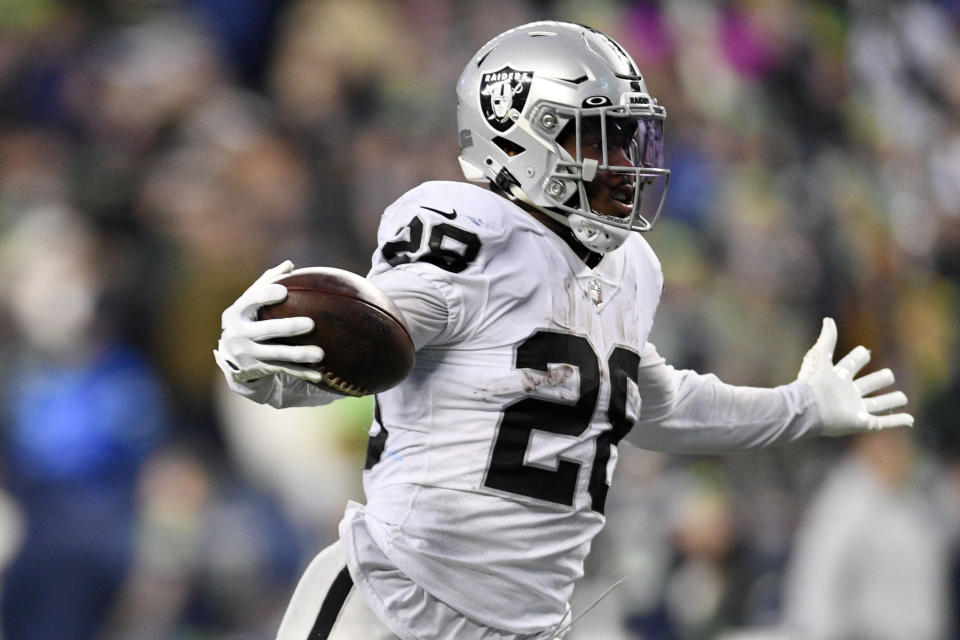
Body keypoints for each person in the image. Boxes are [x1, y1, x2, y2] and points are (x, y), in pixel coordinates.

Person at [213, 21, 913, 640]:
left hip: (528, 626)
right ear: (515, 136)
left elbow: (658, 404)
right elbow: (371, 339)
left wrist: (801, 406)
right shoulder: (469, 238)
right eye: (598, 138)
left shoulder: (628, 266)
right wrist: (261, 366)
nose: (625, 164)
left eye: (631, 137)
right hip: (393, 605)